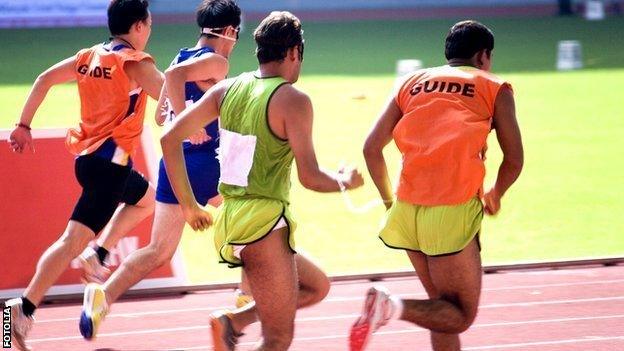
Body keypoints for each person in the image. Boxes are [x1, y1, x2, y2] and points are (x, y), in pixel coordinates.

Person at [161, 11, 364, 351]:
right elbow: (311, 177)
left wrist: (189, 205)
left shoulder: (227, 89)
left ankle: (235, 321)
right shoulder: (293, 100)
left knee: (316, 286)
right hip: (264, 225)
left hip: (234, 221)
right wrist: (345, 182)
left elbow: (169, 138)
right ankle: (235, 322)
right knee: (278, 339)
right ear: (294, 52)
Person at [78, 0, 249, 340]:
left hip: (173, 164)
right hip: (205, 163)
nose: (234, 42)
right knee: (253, 223)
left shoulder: (181, 54)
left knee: (159, 250)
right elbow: (173, 80)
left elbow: (161, 114)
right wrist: (188, 120)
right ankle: (244, 300)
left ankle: (103, 296)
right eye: (236, 36)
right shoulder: (216, 60)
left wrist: (178, 116)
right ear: (229, 31)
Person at [350, 20, 524, 351]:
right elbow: (514, 159)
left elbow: (371, 148)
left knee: (438, 308)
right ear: (483, 56)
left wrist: (390, 204)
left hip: (407, 209)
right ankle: (390, 306)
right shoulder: (494, 86)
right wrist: (497, 192)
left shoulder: (411, 81)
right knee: (460, 314)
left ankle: (390, 307)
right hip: (452, 211)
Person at [5, 1, 163, 349]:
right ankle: (20, 309)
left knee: (147, 200)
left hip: (91, 159)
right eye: (149, 25)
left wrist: (23, 126)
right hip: (111, 166)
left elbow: (44, 79)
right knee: (70, 242)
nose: (150, 32)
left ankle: (99, 253)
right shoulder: (135, 62)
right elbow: (169, 98)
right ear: (137, 26)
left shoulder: (88, 56)